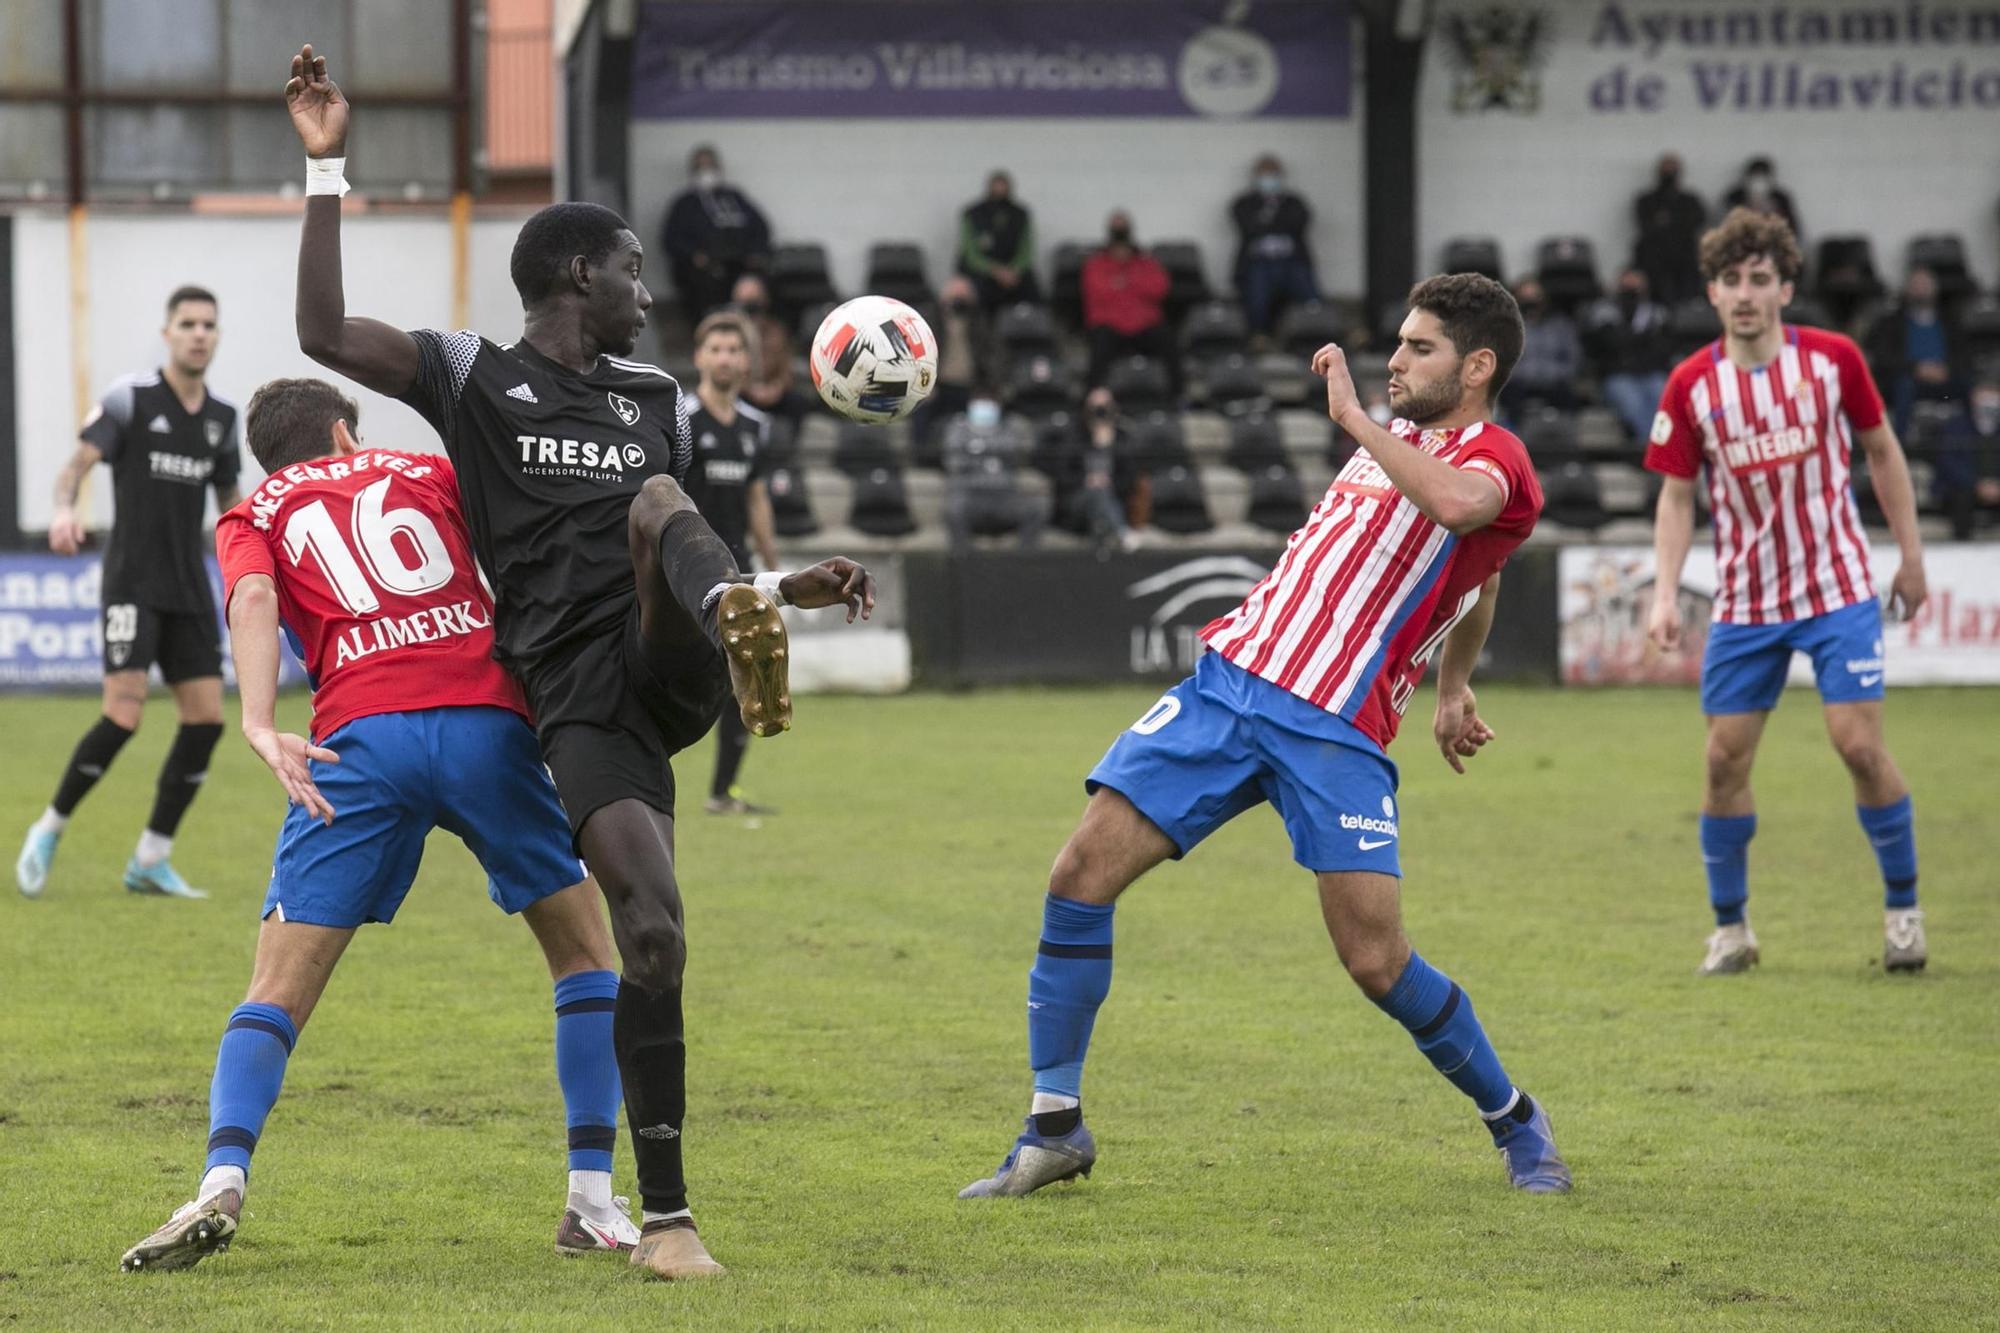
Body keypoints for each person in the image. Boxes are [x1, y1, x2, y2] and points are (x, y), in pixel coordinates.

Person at [285, 45, 875, 1280]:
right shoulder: (470, 376)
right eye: (631, 268)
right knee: (649, 932)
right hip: (574, 696)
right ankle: (665, 1226)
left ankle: (738, 624)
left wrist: (774, 589)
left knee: (660, 500)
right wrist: (327, 164)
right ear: (573, 272)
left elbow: (680, 534)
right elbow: (324, 330)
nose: (647, 292)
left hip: (669, 646)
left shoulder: (655, 395)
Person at [959, 273, 1569, 1201]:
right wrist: (1456, 684)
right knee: (1077, 876)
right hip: (1230, 685)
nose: (1396, 359)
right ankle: (1053, 1125)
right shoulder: (1394, 438)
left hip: (1336, 727)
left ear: (1477, 365)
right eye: (1398, 342)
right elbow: (1475, 586)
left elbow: (1464, 523)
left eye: (1420, 347)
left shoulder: (1498, 457)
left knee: (1375, 960)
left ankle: (1516, 1119)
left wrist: (1357, 419)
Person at [119, 378, 642, 1272]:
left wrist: (255, 720)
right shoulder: (426, 469)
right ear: (342, 430)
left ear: (268, 456)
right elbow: (524, 556)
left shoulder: (253, 512)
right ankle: (591, 1199)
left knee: (275, 991)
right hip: (484, 721)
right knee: (588, 956)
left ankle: (219, 1180)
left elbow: (250, 603)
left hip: (358, 744)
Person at [1644, 208, 1929, 976]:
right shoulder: (1691, 384)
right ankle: (1732, 930)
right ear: (1712, 291)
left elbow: (1882, 451)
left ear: (1785, 288)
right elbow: (1676, 497)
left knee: (1859, 745)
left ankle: (1903, 911)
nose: (1745, 293)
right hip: (1745, 603)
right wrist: (1665, 591)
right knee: (1723, 762)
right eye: (1731, 280)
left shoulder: (1834, 360)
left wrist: (1911, 556)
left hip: (1836, 587)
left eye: (1760, 279)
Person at [16, 286, 242, 902]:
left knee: (206, 721)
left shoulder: (223, 420)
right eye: (187, 323)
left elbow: (230, 506)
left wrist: (258, 555)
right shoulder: (131, 399)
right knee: (124, 713)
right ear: (167, 333)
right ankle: (49, 828)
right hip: (132, 584)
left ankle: (151, 858)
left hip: (190, 589)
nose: (199, 333)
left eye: (208, 324)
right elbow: (75, 467)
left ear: (217, 336)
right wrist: (64, 510)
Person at [680, 313, 782, 816]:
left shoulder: (755, 428)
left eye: (733, 349)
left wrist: (775, 566)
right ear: (699, 357)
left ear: (745, 361)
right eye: (715, 348)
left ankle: (722, 794)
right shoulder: (681, 420)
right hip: (682, 574)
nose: (724, 357)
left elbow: (757, 498)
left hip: (736, 574)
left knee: (746, 679)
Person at [660, 145, 771, 324]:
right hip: (705, 267)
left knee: (757, 283)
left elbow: (760, 227)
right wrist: (694, 255)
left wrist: (756, 252)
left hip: (740, 263)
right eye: (700, 167)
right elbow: (671, 239)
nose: (706, 172)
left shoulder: (735, 198)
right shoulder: (685, 204)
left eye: (710, 166)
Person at [1864, 267, 1966, 436]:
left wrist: (1946, 370)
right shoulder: (1891, 323)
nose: (1921, 290)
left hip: (1945, 378)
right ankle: (1901, 447)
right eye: (1916, 285)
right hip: (1908, 381)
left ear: (1935, 288)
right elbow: (1883, 357)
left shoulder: (1951, 322)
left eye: (1925, 285)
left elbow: (1964, 355)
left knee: (1971, 388)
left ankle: (1969, 451)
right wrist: (1917, 369)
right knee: (1904, 387)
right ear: (1906, 289)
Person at [1230, 153, 1320, 338]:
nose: (1269, 180)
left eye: (1273, 175)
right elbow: (1248, 227)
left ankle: (1321, 328)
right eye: (1265, 175)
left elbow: (1298, 224)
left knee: (1308, 291)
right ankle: (1258, 335)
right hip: (1258, 263)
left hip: (1291, 262)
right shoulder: (1244, 203)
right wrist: (1276, 220)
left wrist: (1267, 220)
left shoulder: (1294, 202)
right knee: (1257, 291)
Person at [942, 388, 1043, 549]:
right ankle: (964, 564)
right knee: (953, 511)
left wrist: (976, 451)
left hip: (1004, 495)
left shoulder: (1008, 427)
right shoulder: (958, 427)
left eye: (989, 404)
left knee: (1036, 509)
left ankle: (1024, 562)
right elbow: (954, 462)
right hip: (970, 494)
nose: (984, 409)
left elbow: (1013, 453)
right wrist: (992, 457)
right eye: (980, 403)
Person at [1082, 210, 1173, 388]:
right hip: (1109, 325)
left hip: (1143, 324)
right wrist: (1133, 286)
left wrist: (1126, 282)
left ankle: (1176, 395)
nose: (1121, 252)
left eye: (1125, 248)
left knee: (1167, 341)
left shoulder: (1146, 263)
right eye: (1117, 247)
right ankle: (1091, 396)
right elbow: (1099, 294)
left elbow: (1160, 290)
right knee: (1100, 347)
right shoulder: (1096, 264)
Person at [1584, 268, 1675, 443]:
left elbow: (1663, 348)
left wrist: (1631, 340)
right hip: (1618, 374)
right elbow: (1610, 344)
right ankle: (1650, 449)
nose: (1632, 287)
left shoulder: (1657, 313)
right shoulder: (1604, 311)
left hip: (1650, 372)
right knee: (1633, 404)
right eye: (1628, 283)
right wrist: (1643, 338)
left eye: (1637, 282)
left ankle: (1662, 449)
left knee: (1663, 400)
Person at [914, 275, 996, 461]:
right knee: (922, 412)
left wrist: (986, 387)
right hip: (937, 386)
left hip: (969, 386)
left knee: (984, 414)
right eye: (955, 295)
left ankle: (975, 460)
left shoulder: (979, 323)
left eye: (964, 296)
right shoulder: (931, 319)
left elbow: (989, 357)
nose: (959, 300)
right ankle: (923, 459)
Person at [1054, 387, 1138, 555]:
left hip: (1115, 500)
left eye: (1105, 407)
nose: (1100, 412)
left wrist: (1110, 445)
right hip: (1078, 503)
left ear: (1113, 408)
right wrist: (1087, 480)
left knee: (1101, 493)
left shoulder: (1122, 438)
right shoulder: (1075, 437)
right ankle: (1122, 532)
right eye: (1095, 408)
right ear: (1086, 410)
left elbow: (1129, 478)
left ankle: (1106, 536)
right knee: (1096, 490)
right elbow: (1062, 474)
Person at [727, 273, 807, 431]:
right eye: (745, 300)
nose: (751, 306)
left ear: (765, 300)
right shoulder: (729, 334)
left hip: (774, 393)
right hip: (743, 395)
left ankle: (787, 449)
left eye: (755, 300)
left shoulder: (776, 329)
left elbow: (786, 366)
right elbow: (726, 371)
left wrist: (776, 387)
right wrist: (750, 389)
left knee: (798, 403)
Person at [1632, 152, 1707, 308]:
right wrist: (1678, 220)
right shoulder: (1646, 200)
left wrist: (1668, 220)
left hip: (1685, 262)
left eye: (1673, 170)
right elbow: (1646, 224)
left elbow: (1697, 221)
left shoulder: (1690, 200)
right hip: (1655, 262)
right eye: (1666, 170)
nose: (1669, 175)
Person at [1498, 277, 1581, 418]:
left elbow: (1574, 359)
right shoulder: (1506, 327)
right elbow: (1502, 362)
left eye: (1535, 296)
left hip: (1555, 382)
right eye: (1525, 297)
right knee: (1508, 401)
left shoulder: (1561, 325)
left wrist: (1552, 375)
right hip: (1519, 384)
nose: (1530, 302)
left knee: (1570, 400)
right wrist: (1527, 376)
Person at [956, 169, 1039, 311]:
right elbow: (971, 255)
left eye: (1003, 186)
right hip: (981, 274)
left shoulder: (1020, 214)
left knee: (1032, 292)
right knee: (963, 296)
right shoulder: (973, 214)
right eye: (996, 186)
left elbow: (1026, 251)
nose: (999, 190)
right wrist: (995, 271)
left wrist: (1013, 270)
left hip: (1014, 274)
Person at [1721, 156, 1801, 244]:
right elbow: (1721, 227)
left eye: (1763, 177)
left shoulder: (1781, 199)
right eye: (1755, 177)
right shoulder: (1733, 197)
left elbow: (1793, 231)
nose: (1758, 183)